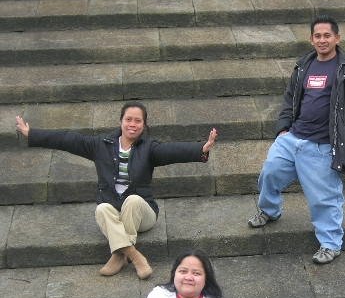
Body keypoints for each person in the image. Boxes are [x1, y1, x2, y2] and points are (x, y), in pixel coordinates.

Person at [15, 102, 218, 279]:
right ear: (121, 121)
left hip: (142, 213)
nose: (132, 124)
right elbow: (67, 139)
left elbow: (174, 151)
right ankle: (133, 255)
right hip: (114, 210)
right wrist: (32, 134)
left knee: (133, 200)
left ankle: (118, 255)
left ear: (144, 125)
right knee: (102, 209)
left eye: (138, 121)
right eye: (128, 119)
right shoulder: (100, 145)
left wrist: (202, 148)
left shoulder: (149, 148)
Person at [248, 14, 345, 264]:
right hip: (292, 139)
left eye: (327, 35)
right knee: (269, 173)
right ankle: (270, 210)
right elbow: (289, 98)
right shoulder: (304, 64)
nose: (322, 40)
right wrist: (283, 129)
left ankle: (331, 243)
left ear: (337, 38)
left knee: (323, 199)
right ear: (311, 39)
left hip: (322, 146)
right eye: (318, 36)